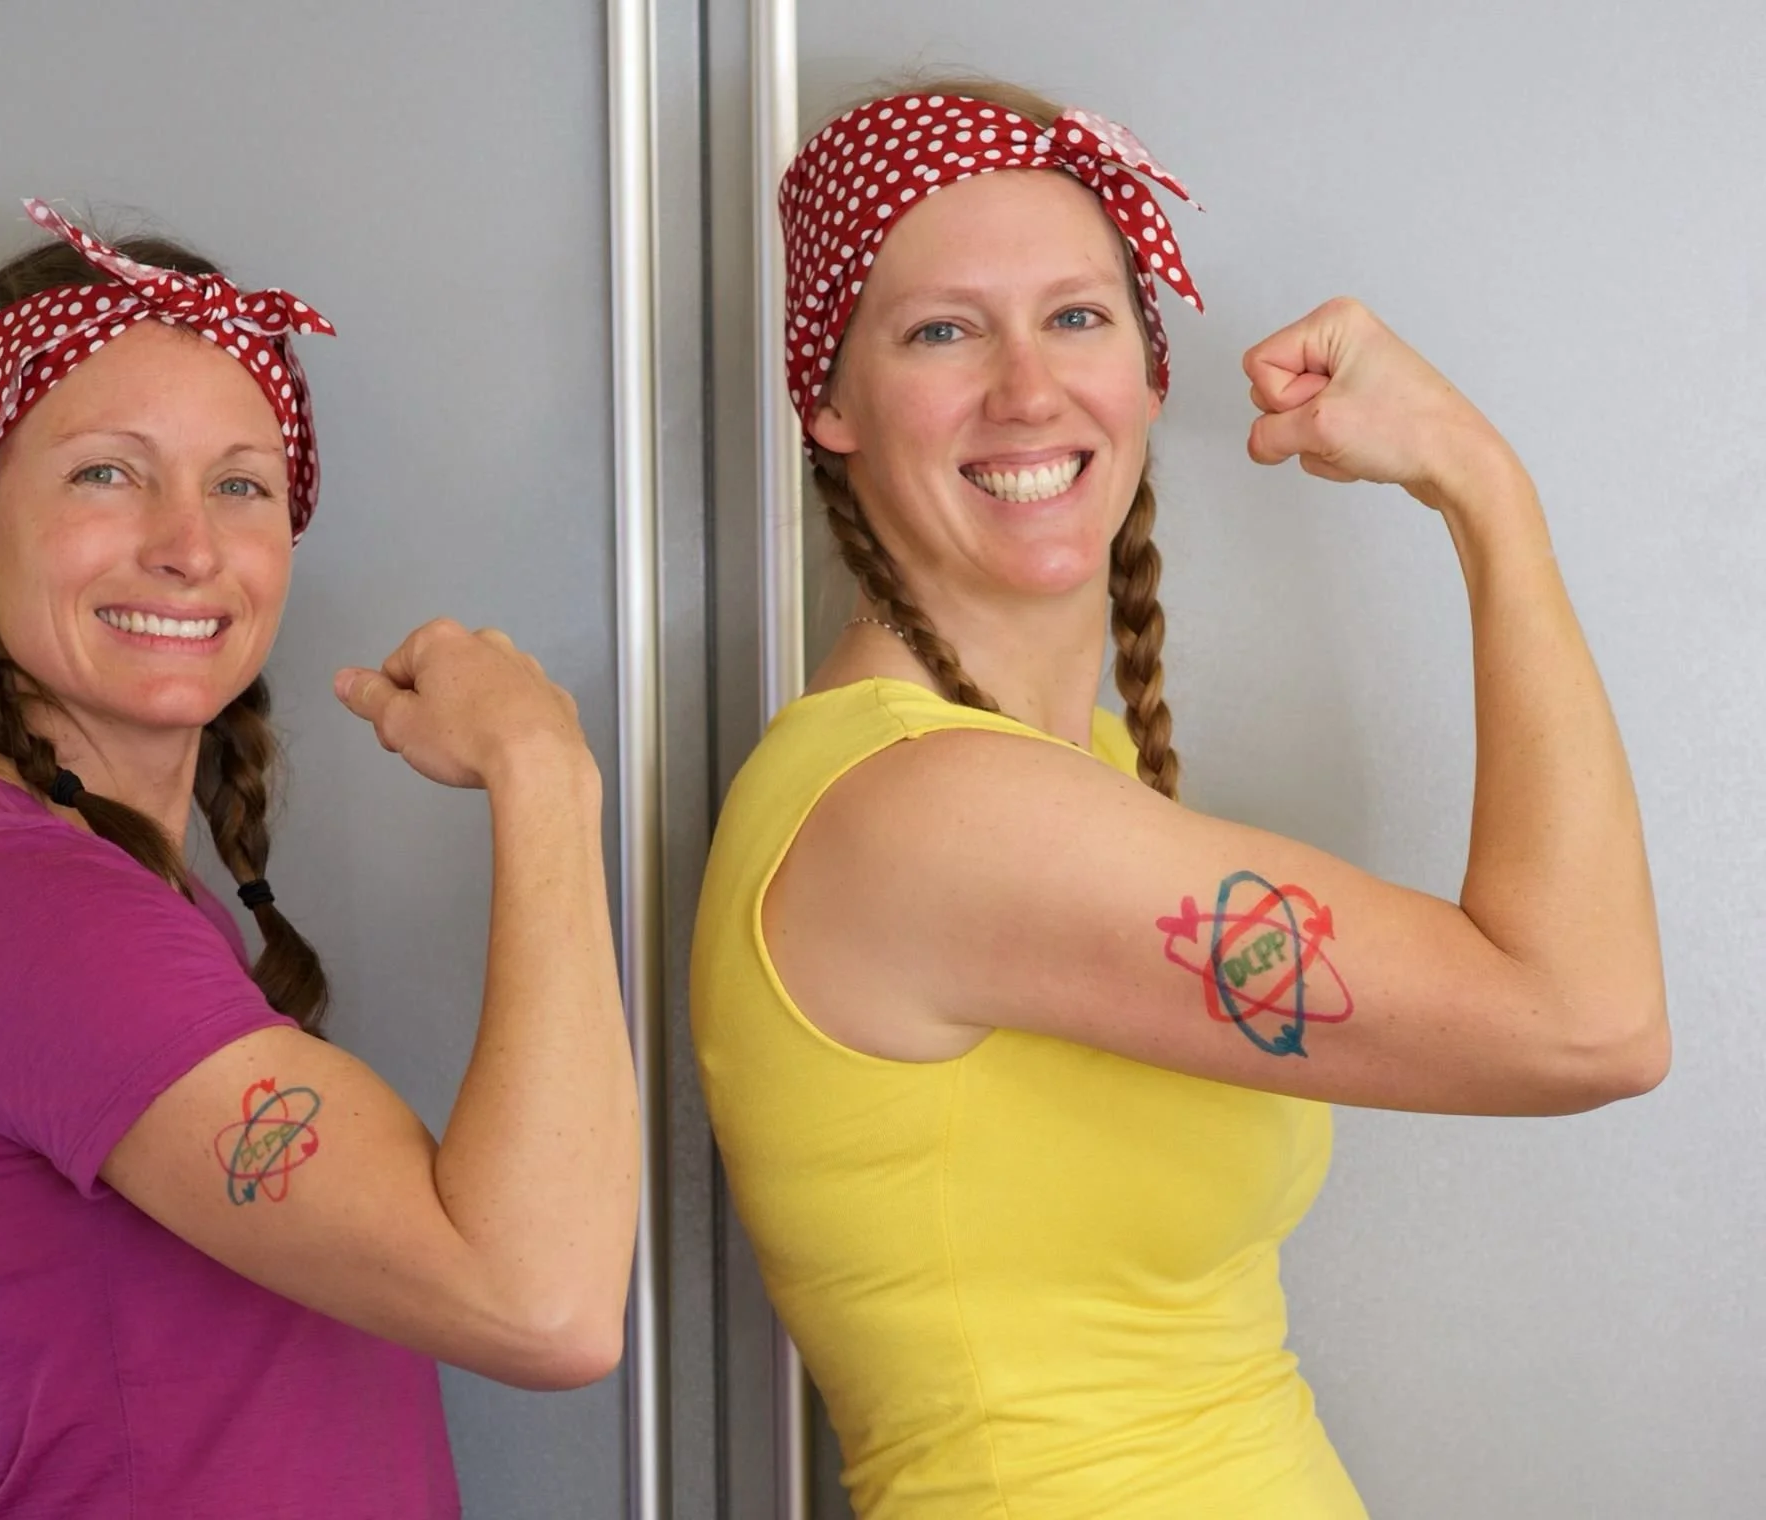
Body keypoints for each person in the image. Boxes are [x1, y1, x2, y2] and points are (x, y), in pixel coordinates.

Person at [690, 81, 1667, 1518]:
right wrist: (1484, 489)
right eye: (944, 330)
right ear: (829, 400)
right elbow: (1586, 1021)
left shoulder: (1060, 770)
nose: (1028, 390)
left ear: (1151, 370)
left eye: (1076, 316)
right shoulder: (932, 813)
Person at [0, 201, 639, 1519]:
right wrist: (544, 774)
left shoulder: (106, 891)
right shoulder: (27, 907)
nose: (189, 545)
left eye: (240, 484)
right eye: (107, 472)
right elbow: (543, 1303)